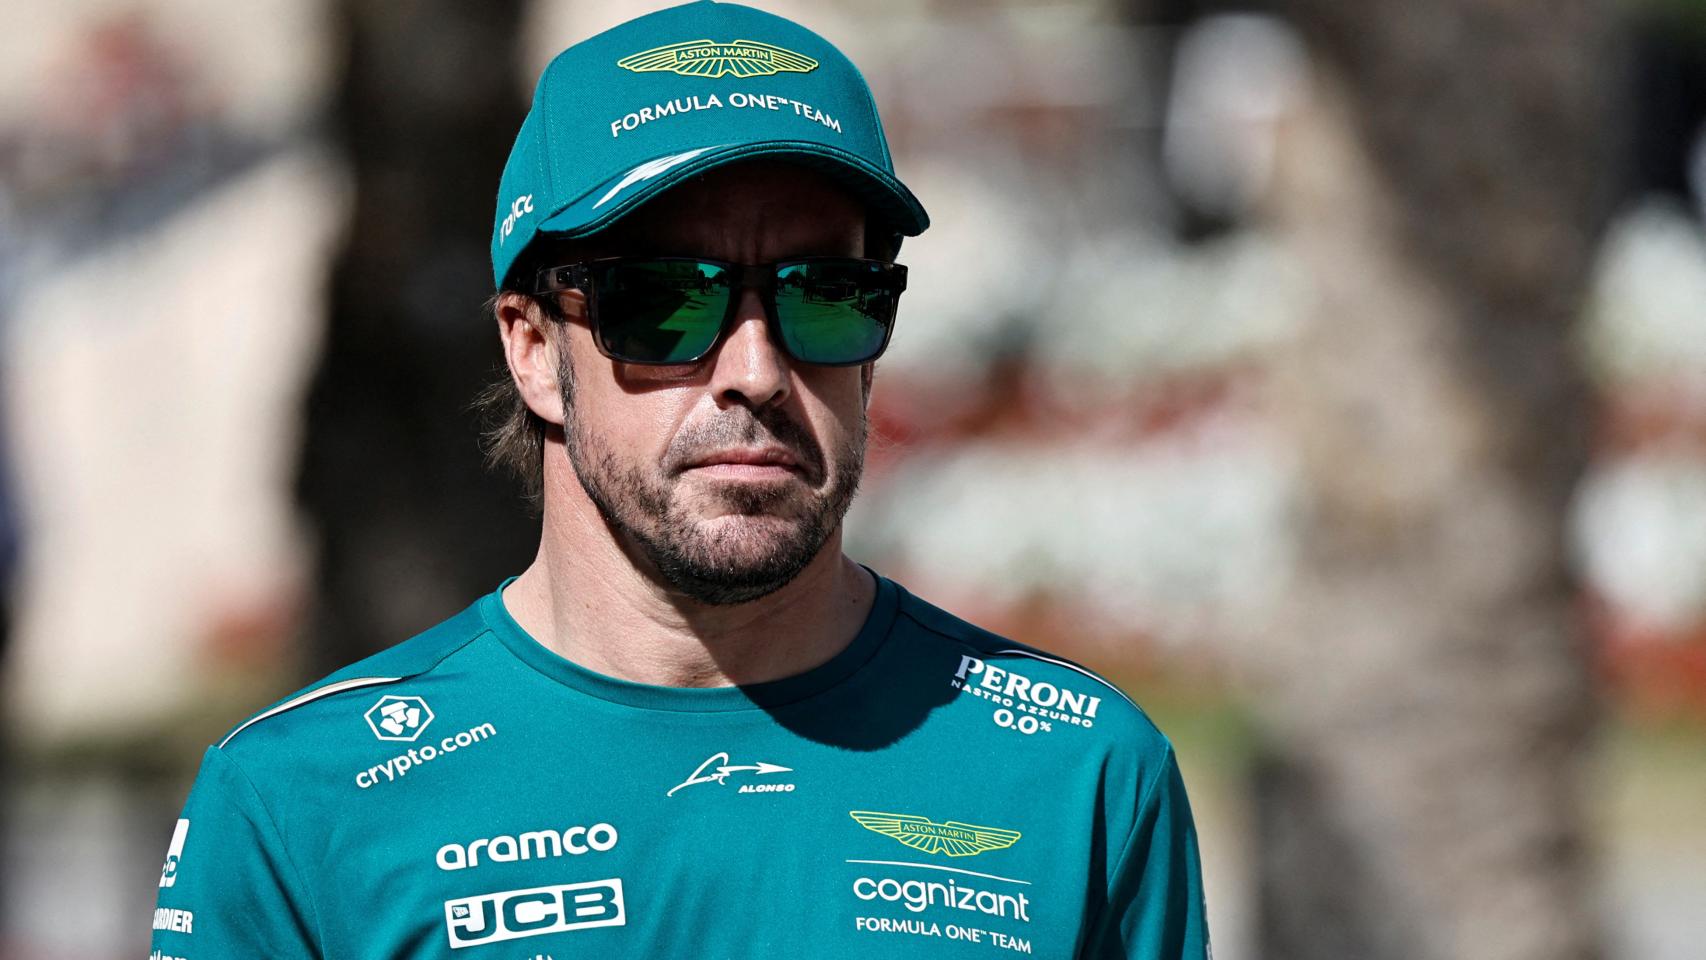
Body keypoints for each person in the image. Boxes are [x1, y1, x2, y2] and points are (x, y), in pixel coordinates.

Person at [146, 3, 1210, 958]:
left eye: (825, 294)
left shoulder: (1080, 775)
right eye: (663, 302)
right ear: (532, 350)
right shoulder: (300, 802)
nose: (756, 371)